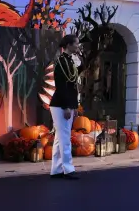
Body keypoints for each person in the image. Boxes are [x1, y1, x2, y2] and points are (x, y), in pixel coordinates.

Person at [50, 34, 84, 180]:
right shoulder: (61, 61)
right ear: (69, 45)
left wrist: (74, 105)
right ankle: (68, 169)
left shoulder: (70, 60)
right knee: (65, 138)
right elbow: (62, 86)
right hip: (60, 104)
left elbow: (73, 83)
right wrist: (66, 106)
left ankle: (56, 169)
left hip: (67, 103)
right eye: (76, 43)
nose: (78, 46)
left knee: (60, 138)